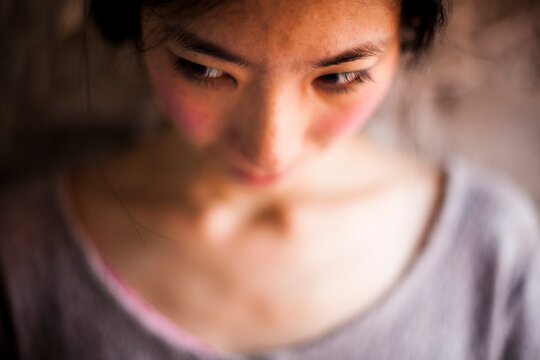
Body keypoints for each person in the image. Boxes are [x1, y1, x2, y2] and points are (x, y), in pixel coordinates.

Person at [1, 0, 539, 359]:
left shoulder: (493, 253)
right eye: (206, 70)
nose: (268, 149)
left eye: (340, 77)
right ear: (134, 23)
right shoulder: (25, 255)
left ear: (405, 40)